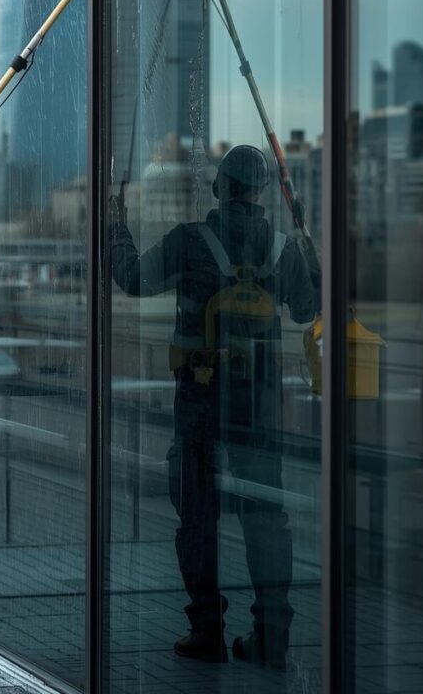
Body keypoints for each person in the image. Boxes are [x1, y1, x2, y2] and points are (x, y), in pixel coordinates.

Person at [110, 144, 317, 670]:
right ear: (262, 191)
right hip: (259, 406)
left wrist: (116, 227)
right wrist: (307, 248)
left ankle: (207, 629)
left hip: (201, 400)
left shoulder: (190, 241)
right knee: (267, 518)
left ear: (220, 188)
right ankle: (272, 634)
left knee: (198, 517)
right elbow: (307, 308)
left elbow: (133, 279)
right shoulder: (281, 247)